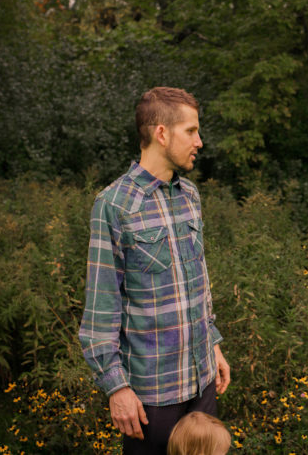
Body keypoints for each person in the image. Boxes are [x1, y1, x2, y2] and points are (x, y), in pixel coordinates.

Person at [79, 87, 231, 455]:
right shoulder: (114, 205)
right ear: (161, 133)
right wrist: (117, 388)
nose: (199, 140)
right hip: (152, 399)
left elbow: (198, 285)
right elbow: (100, 313)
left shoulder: (189, 195)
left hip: (202, 383)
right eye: (191, 131)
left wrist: (213, 344)